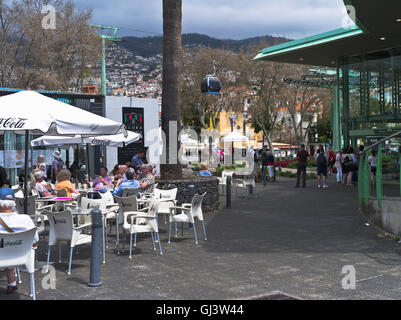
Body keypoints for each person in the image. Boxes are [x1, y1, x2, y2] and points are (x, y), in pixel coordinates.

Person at [0, 187, 38, 294]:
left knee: (5, 248)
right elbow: (35, 242)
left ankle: (11, 284)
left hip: (1, 255)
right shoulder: (25, 219)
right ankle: (11, 284)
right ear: (14, 201)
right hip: (20, 256)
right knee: (9, 248)